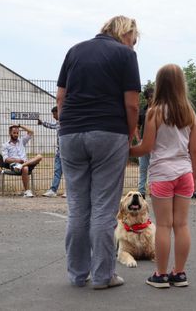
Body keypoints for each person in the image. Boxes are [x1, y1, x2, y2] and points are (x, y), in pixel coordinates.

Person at [56, 16, 141, 289]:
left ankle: (77, 275)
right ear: (125, 33)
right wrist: (129, 136)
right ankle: (104, 276)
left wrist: (68, 126)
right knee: (104, 208)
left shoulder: (75, 51)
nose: (134, 44)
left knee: (78, 207)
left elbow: (61, 98)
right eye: (134, 39)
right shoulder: (126, 55)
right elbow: (132, 105)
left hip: (70, 133)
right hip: (109, 132)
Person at [130, 64, 196, 289]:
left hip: (162, 175)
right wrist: (194, 175)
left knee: (163, 226)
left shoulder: (154, 112)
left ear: (160, 84)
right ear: (181, 84)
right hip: (185, 174)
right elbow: (195, 150)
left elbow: (147, 147)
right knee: (181, 225)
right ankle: (179, 273)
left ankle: (160, 275)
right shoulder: (189, 112)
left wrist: (127, 150)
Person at [1, 124, 42, 197]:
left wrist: (20, 126)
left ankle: (22, 165)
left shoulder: (22, 141)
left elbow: (31, 132)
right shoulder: (5, 145)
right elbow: (6, 159)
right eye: (14, 133)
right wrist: (18, 161)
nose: (16, 135)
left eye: (17, 133)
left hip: (25, 163)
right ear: (10, 133)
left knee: (39, 156)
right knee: (25, 168)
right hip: (14, 165)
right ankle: (27, 191)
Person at [38, 106, 66, 198]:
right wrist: (42, 123)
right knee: (57, 171)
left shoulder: (67, 122)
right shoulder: (59, 123)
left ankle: (68, 191)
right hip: (59, 152)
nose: (53, 116)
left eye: (54, 114)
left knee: (68, 172)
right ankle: (53, 190)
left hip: (66, 152)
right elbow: (52, 126)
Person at [137, 87, 154, 198]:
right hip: (144, 142)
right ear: (147, 99)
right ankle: (141, 192)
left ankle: (153, 190)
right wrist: (139, 140)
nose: (152, 99)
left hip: (156, 143)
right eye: (151, 97)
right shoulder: (142, 111)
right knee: (143, 167)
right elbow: (136, 127)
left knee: (155, 167)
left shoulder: (160, 111)